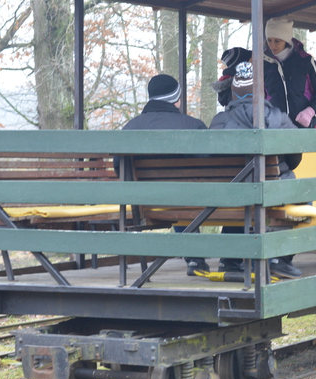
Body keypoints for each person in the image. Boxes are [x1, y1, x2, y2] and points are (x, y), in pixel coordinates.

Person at [210, 55, 303, 280]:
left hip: (230, 197)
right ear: (261, 91)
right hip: (271, 193)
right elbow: (295, 157)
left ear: (234, 92)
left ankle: (230, 260)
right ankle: (278, 258)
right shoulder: (278, 117)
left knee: (238, 192)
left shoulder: (219, 122)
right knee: (297, 192)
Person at [119, 74, 209, 276]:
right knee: (182, 195)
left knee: (175, 196)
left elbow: (120, 169)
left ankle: (194, 258)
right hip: (190, 202)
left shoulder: (129, 129)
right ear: (176, 99)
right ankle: (205, 259)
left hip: (144, 203)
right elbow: (208, 165)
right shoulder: (193, 126)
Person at [262, 18, 316, 128]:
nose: (272, 45)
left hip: (304, 129)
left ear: (286, 40)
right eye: (269, 40)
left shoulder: (306, 61)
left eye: (277, 41)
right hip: (275, 129)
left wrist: (310, 111)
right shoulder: (263, 64)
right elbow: (258, 98)